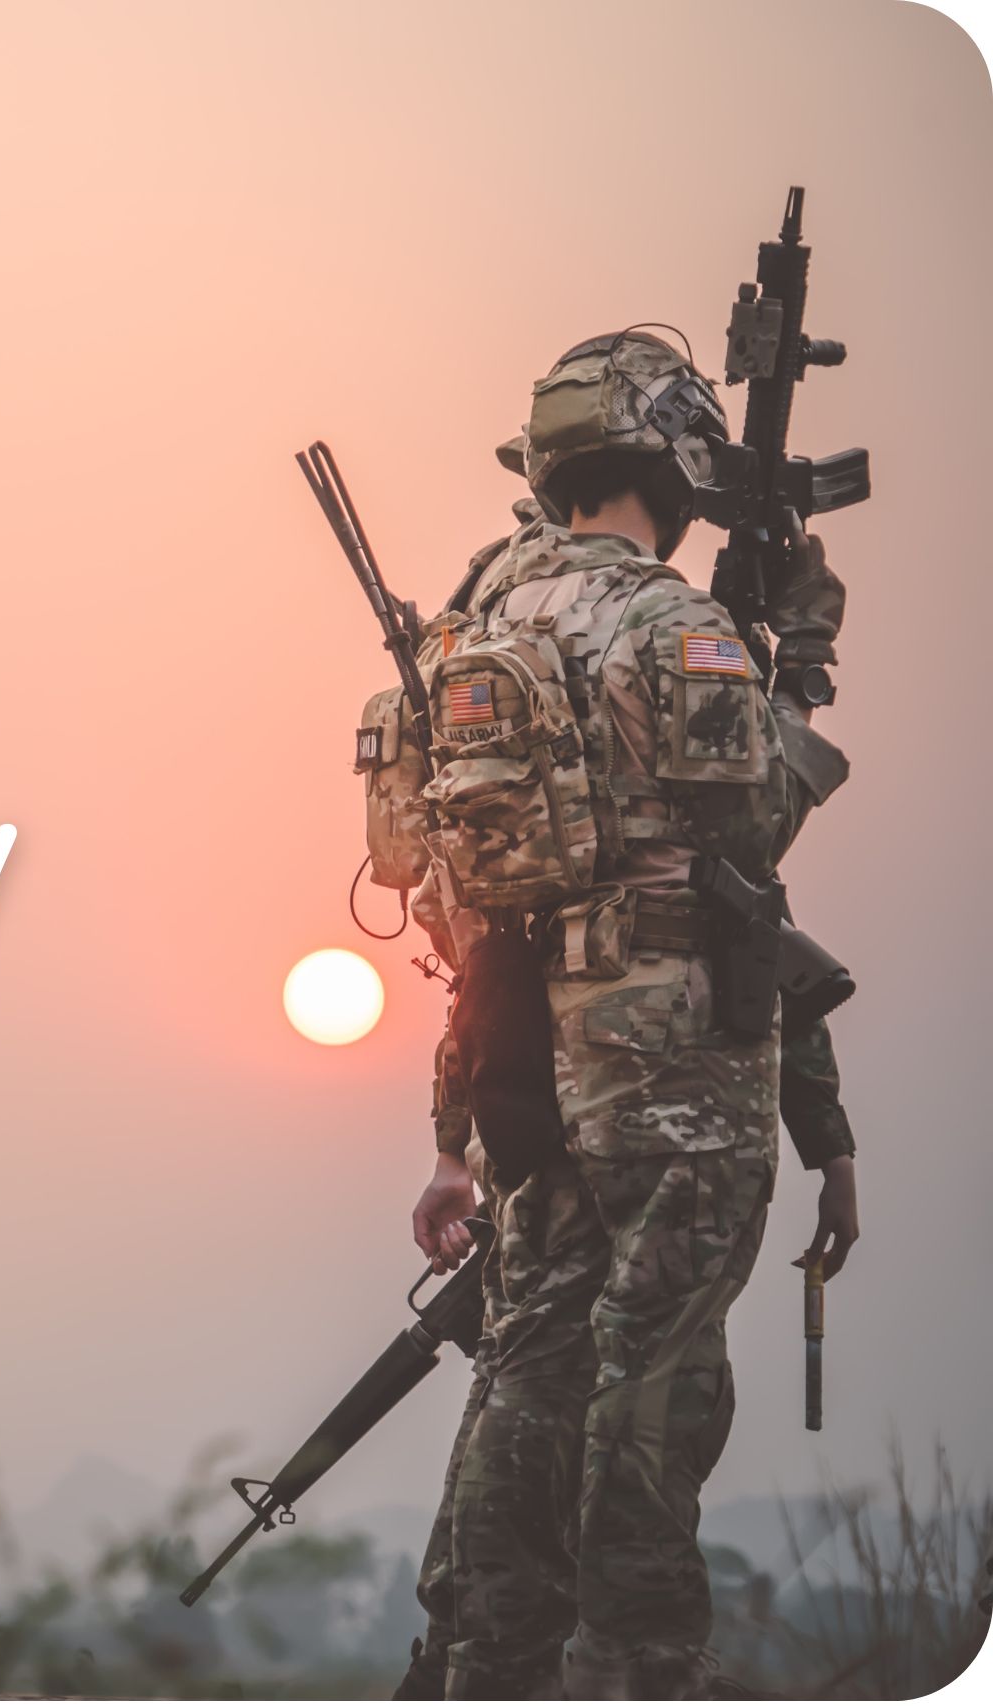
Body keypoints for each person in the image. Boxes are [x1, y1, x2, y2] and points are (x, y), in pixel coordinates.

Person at [360, 330, 860, 1697]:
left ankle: (479, 1669)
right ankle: (641, 1671)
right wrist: (798, 656)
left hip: (534, 1071)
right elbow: (750, 831)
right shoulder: (667, 626)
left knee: (528, 1383)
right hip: (675, 1073)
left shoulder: (471, 628)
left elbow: (447, 887)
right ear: (676, 465)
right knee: (655, 1395)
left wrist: (458, 1127)